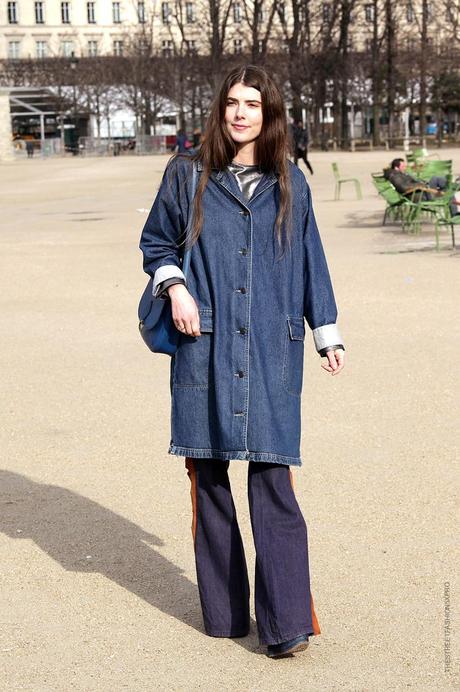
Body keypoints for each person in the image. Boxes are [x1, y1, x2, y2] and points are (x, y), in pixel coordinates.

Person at [139, 65, 345, 659]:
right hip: (205, 346)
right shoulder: (187, 176)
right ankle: (225, 615)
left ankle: (285, 625)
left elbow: (311, 259)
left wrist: (325, 332)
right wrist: (176, 288)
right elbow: (156, 242)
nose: (240, 113)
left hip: (270, 350)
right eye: (232, 102)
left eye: (252, 103)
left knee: (273, 480)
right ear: (219, 109)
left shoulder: (290, 183)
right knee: (209, 481)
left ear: (268, 113)